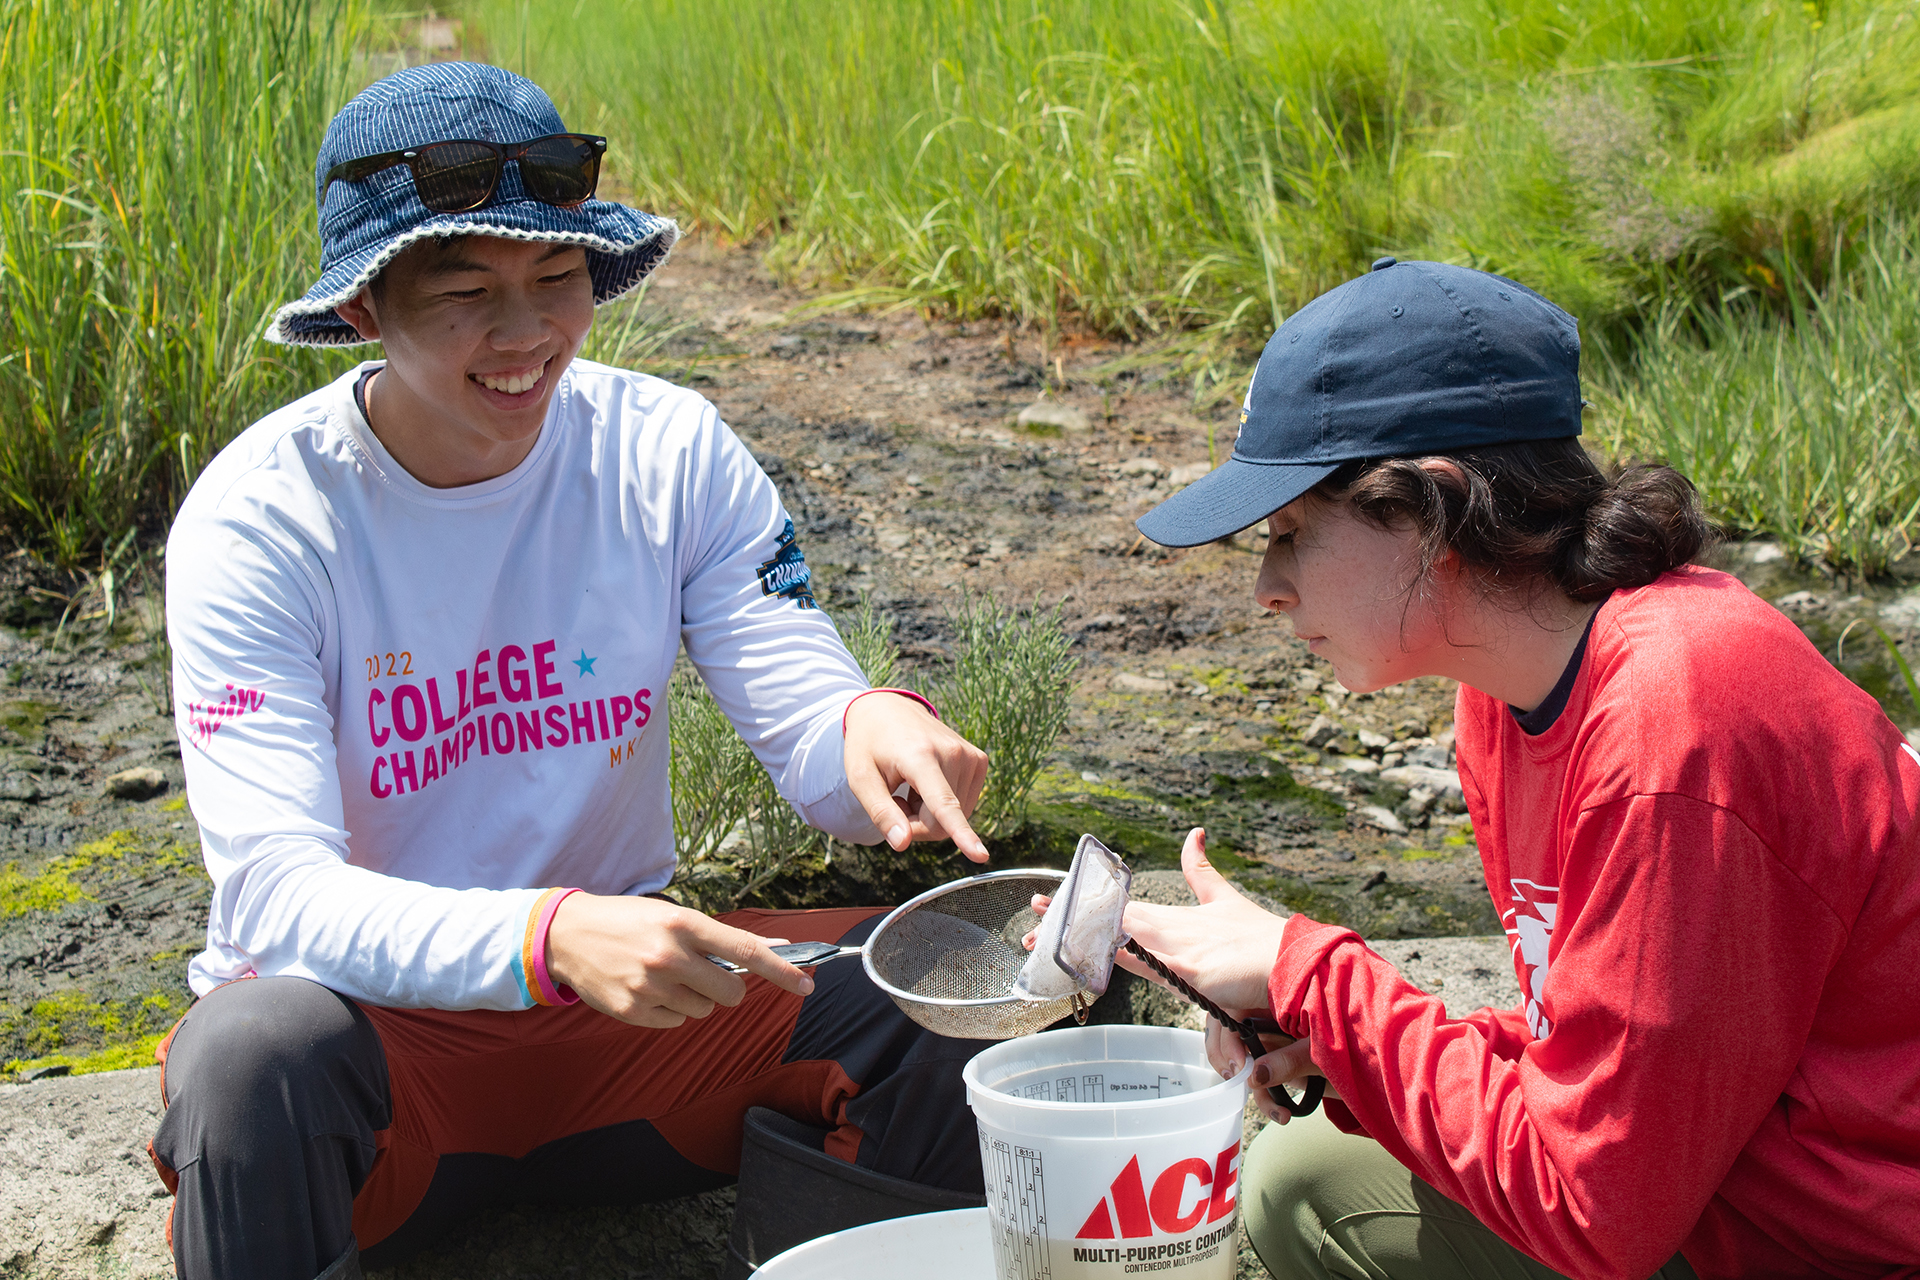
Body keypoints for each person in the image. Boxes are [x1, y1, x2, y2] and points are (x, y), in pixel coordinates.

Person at [149, 62, 995, 1280]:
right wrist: (545, 939)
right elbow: (280, 896)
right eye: (464, 291)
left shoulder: (665, 449)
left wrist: (869, 725)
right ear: (362, 311)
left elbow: (803, 712)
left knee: (974, 982)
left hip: (638, 1029)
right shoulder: (261, 521)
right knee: (250, 1055)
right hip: (385, 1062)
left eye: (558, 278)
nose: (526, 333)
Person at [1114, 256, 1920, 1280]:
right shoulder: (1502, 699)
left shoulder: (1680, 717)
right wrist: (1339, 1039)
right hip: (1719, 1182)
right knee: (1302, 1173)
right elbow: (1595, 1043)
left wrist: (1308, 971)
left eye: (1292, 532)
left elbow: (1595, 1209)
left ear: (1436, 514)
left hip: (1849, 1239)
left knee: (1303, 1189)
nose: (1268, 586)